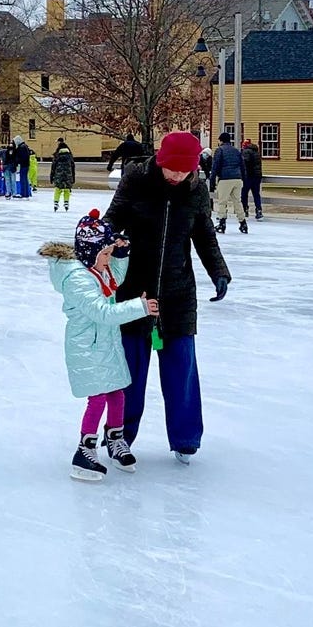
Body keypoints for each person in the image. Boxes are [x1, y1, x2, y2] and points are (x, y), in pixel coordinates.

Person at [105, 131, 229, 464]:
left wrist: (219, 271)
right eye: (171, 169)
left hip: (178, 294)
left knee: (181, 369)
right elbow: (112, 217)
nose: (176, 176)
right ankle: (120, 435)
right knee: (130, 370)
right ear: (160, 162)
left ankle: (186, 438)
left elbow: (204, 235)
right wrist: (104, 239)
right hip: (134, 290)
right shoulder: (136, 179)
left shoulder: (197, 190)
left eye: (183, 171)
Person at [41, 211, 158, 482]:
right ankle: (85, 449)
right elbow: (102, 312)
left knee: (117, 392)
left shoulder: (96, 268)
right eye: (104, 254)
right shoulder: (78, 279)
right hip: (87, 345)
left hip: (105, 342)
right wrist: (139, 307)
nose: (107, 260)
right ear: (89, 252)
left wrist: (120, 254)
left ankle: (115, 440)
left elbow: (113, 278)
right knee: (98, 397)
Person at [207, 131, 246, 234]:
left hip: (225, 179)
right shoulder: (236, 151)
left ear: (221, 140)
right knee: (237, 201)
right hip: (237, 179)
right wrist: (243, 178)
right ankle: (243, 222)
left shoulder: (220, 151)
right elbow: (242, 166)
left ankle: (222, 222)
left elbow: (215, 166)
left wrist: (212, 180)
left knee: (222, 202)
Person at [240, 138, 264, 222]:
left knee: (244, 194)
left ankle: (245, 209)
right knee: (256, 194)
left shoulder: (246, 152)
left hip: (248, 177)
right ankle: (259, 210)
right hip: (257, 176)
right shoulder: (257, 152)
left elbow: (245, 163)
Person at [50, 139, 77, 212]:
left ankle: (56, 202)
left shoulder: (57, 156)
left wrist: (51, 177)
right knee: (67, 190)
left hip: (58, 176)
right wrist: (73, 178)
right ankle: (66, 203)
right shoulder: (70, 157)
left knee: (58, 189)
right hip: (68, 176)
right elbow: (73, 168)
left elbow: (53, 167)